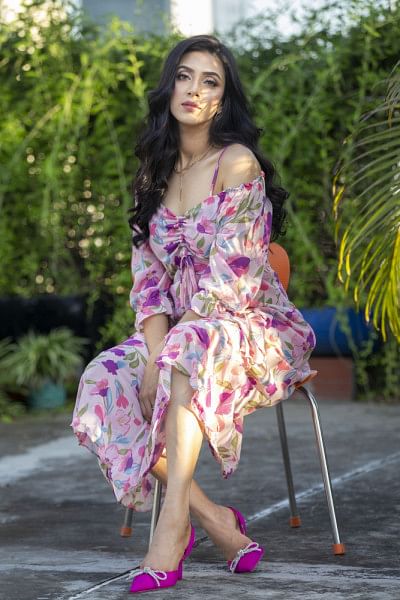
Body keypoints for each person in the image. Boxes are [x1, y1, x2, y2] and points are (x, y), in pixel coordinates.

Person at [70, 34, 316, 593]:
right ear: (169, 85)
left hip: (250, 325)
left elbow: (232, 280)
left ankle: (171, 527)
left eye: (210, 82)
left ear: (223, 100)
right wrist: (155, 352)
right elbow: (148, 284)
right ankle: (216, 520)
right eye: (185, 76)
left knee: (183, 351)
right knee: (105, 379)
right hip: (181, 334)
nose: (194, 90)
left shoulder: (236, 164)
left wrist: (167, 355)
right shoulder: (152, 173)